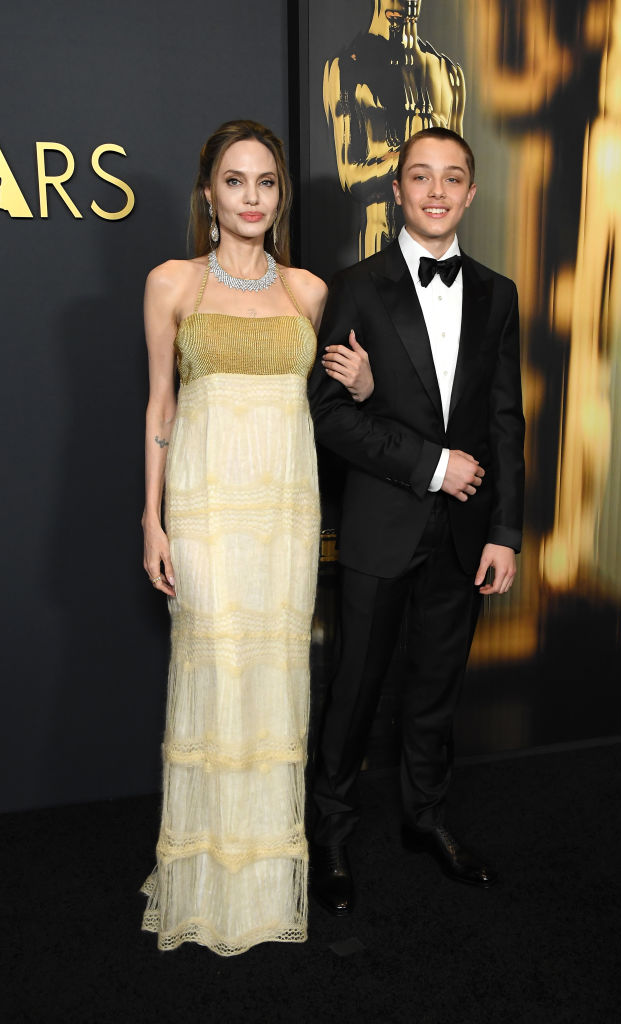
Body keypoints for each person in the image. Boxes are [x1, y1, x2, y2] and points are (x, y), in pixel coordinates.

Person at [140, 119, 372, 956]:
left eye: (265, 183)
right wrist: (150, 517)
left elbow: (341, 409)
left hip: (283, 512)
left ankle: (266, 885)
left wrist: (366, 382)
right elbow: (160, 407)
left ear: (278, 197)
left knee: (274, 680)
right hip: (203, 507)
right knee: (212, 670)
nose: (250, 198)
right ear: (207, 193)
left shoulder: (310, 292)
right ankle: (204, 879)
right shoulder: (171, 282)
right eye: (234, 182)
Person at [309, 126, 525, 915]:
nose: (436, 191)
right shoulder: (355, 286)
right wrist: (432, 464)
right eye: (420, 177)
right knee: (354, 690)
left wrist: (505, 530)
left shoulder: (498, 293)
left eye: (452, 178)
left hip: (465, 534)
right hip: (379, 527)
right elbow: (329, 415)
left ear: (470, 193)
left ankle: (425, 821)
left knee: (434, 691)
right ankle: (329, 835)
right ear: (395, 191)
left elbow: (505, 422)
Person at [323, 0, 466, 258]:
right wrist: (413, 158)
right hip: (379, 247)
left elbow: (460, 180)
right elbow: (349, 177)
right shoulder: (346, 68)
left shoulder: (447, 72)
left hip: (440, 257)